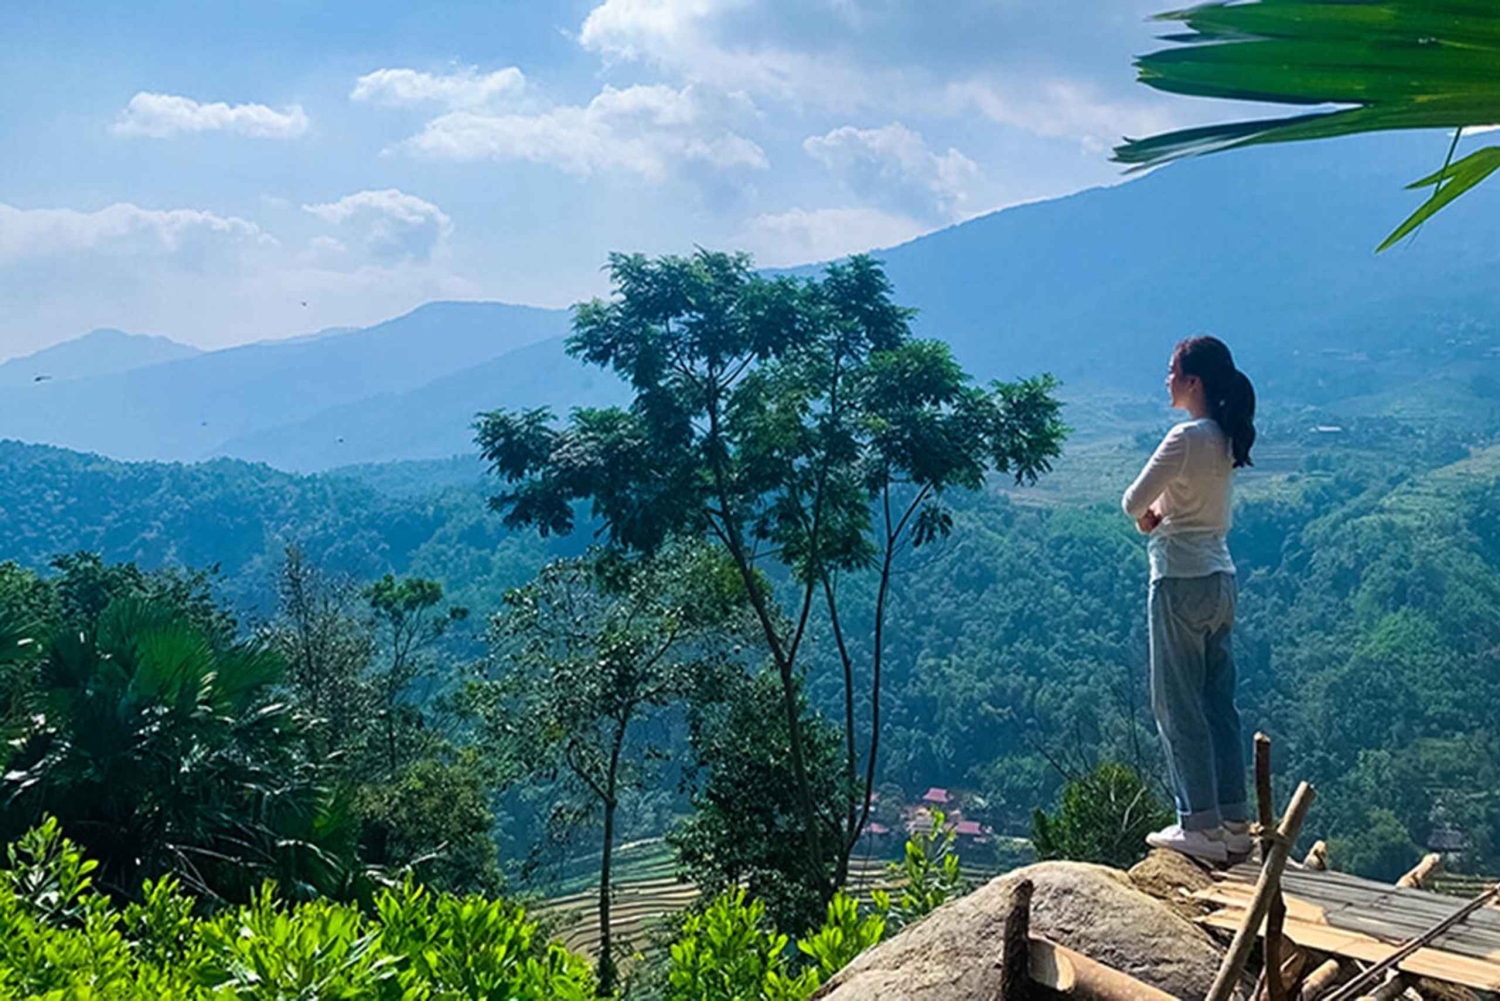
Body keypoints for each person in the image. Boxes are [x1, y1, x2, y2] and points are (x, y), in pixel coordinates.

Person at [1122, 335, 1257, 864]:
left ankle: (1198, 824)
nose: (1167, 380)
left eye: (1172, 371)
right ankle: (1234, 821)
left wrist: (1151, 516)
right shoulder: (1225, 436)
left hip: (1179, 579)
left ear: (1193, 381)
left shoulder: (1184, 437)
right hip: (1222, 579)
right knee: (1219, 703)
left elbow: (1132, 502)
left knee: (1177, 704)